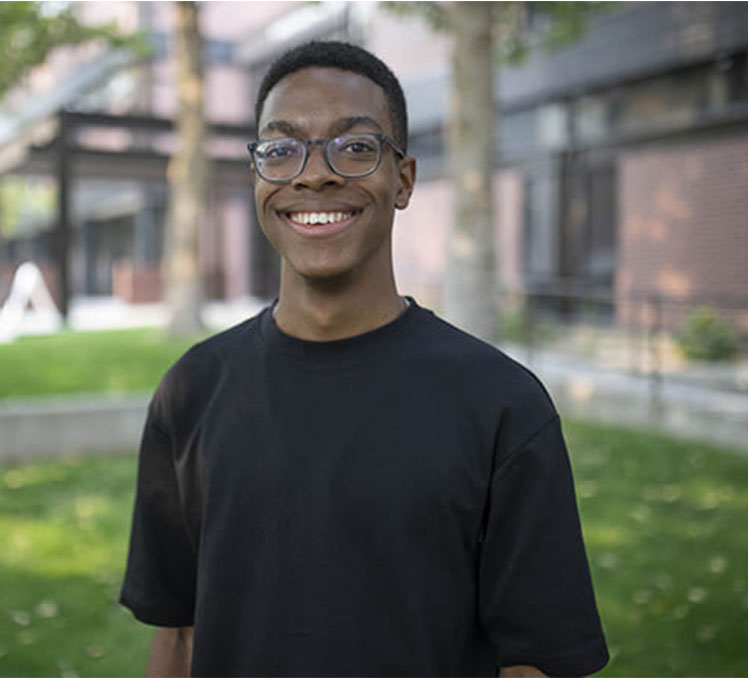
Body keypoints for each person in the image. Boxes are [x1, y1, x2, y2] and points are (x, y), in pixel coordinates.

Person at [121, 40, 608, 678]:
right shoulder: (191, 392)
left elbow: (535, 664)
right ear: (257, 176)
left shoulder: (501, 406)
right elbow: (180, 633)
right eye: (281, 148)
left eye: (354, 147)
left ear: (402, 180)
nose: (314, 173)